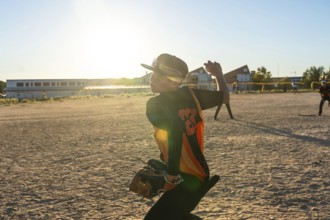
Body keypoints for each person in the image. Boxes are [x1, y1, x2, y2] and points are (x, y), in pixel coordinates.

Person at [141, 53, 223, 220]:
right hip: (199, 173)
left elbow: (175, 133)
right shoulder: (191, 95)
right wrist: (218, 75)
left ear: (172, 81)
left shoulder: (155, 105)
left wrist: (171, 174)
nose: (151, 78)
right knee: (176, 216)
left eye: (157, 75)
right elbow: (224, 97)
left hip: (183, 176)